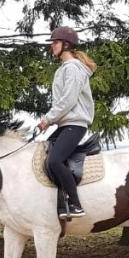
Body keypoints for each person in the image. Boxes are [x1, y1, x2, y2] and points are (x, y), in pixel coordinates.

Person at [38, 26, 97, 219]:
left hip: (75, 125)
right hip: (65, 125)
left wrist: (47, 119)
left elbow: (68, 100)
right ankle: (59, 202)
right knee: (45, 153)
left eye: (55, 42)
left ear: (66, 45)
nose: (51, 46)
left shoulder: (72, 68)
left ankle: (76, 204)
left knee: (54, 160)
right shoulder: (65, 69)